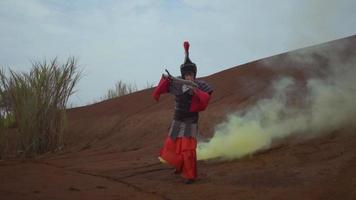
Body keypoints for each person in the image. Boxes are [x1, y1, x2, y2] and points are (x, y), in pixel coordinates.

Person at [152, 41, 213, 184]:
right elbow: (165, 85)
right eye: (186, 75)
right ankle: (179, 166)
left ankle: (190, 175)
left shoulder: (201, 86)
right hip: (177, 119)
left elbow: (205, 100)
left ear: (194, 75)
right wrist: (163, 85)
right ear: (183, 75)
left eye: (191, 74)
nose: (188, 77)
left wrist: (195, 91)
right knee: (173, 145)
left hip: (190, 121)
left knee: (188, 149)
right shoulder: (177, 85)